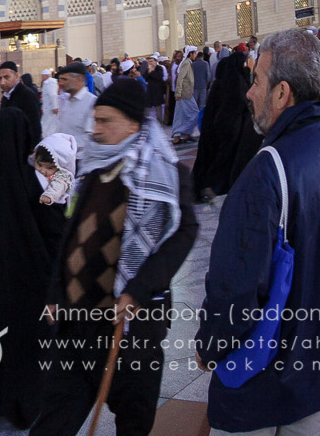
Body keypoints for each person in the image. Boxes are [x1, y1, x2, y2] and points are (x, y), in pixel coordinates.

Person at [198, 29, 320, 435]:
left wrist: (211, 345)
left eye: (256, 82)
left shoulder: (266, 170)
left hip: (259, 383)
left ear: (282, 92)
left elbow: (235, 284)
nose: (249, 93)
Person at [29, 78, 198, 436]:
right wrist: (57, 295)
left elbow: (183, 234)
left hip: (129, 331)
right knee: (52, 423)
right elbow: (72, 236)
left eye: (106, 121)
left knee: (133, 422)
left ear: (134, 125)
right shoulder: (93, 167)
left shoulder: (167, 176)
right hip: (77, 326)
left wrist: (138, 289)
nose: (97, 128)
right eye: (96, 119)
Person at [0, 99, 66, 428]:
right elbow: (54, 228)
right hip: (25, 282)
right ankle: (23, 406)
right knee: (25, 345)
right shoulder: (31, 180)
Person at [193, 48, 262, 203]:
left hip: (220, 128)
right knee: (226, 161)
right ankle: (215, 187)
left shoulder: (221, 83)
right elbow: (244, 104)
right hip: (233, 129)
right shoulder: (236, 83)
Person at [0, 59, 42, 128]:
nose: (2, 82)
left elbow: (34, 126)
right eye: (0, 78)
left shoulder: (27, 95)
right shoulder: (6, 96)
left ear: (16, 76)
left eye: (6, 77)